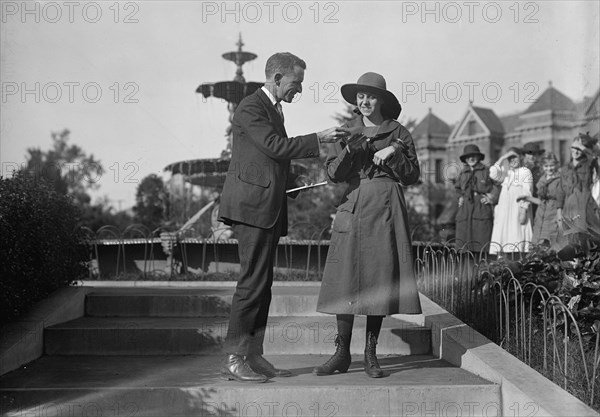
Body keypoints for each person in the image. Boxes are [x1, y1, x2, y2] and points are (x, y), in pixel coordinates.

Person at [218, 52, 348, 383]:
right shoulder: (250, 106)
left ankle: (253, 353)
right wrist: (319, 140)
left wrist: (290, 185)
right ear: (277, 79)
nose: (299, 91)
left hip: (266, 207)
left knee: (263, 285)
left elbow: (268, 158)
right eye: (296, 83)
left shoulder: (272, 110)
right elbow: (275, 146)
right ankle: (235, 357)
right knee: (252, 284)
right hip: (253, 209)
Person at [313, 72, 422, 378]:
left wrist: (395, 152)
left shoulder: (399, 132)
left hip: (386, 206)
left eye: (371, 96)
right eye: (360, 96)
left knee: (378, 277)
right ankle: (341, 353)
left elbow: (412, 176)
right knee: (344, 277)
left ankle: (370, 355)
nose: (364, 101)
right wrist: (350, 150)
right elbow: (334, 174)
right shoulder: (346, 132)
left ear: (382, 101)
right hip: (354, 204)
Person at [557, 132, 600, 251]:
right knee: (569, 241)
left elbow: (593, 154)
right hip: (568, 208)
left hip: (584, 207)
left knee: (585, 240)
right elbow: (560, 193)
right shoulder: (565, 169)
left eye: (579, 149)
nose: (575, 151)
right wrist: (559, 215)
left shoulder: (589, 164)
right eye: (573, 148)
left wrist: (582, 146)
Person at [489, 147, 533, 256]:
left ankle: (517, 263)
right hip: (505, 212)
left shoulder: (525, 172)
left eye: (515, 157)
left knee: (517, 239)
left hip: (517, 210)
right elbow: (492, 174)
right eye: (510, 158)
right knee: (504, 240)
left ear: (521, 158)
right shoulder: (506, 173)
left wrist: (523, 210)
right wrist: (503, 157)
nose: (512, 160)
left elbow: (527, 192)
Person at [454, 144, 497, 253]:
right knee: (464, 246)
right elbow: (457, 188)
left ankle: (482, 268)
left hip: (481, 207)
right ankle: (467, 269)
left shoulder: (487, 171)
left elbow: (498, 186)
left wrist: (491, 197)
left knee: (481, 242)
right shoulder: (463, 173)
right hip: (465, 209)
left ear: (478, 157)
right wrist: (460, 197)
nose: (471, 159)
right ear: (465, 159)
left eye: (474, 156)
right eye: (468, 157)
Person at [518, 152, 564, 249]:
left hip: (553, 216)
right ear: (542, 166)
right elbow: (541, 201)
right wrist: (527, 198)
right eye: (546, 166)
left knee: (551, 246)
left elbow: (561, 201)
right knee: (538, 247)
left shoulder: (560, 180)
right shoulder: (542, 180)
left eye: (551, 166)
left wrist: (559, 219)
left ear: (556, 165)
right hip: (540, 216)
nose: (549, 169)